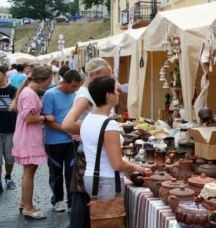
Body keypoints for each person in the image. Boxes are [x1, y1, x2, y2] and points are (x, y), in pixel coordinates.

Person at [62, 58, 114, 228]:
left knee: (85, 195)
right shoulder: (86, 95)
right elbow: (68, 123)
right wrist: (92, 133)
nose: (108, 81)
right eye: (105, 77)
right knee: (86, 196)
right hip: (88, 151)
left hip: (87, 148)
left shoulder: (87, 91)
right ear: (92, 75)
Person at [82, 76, 145, 200]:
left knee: (102, 217)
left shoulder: (89, 118)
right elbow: (117, 164)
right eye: (116, 90)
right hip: (107, 181)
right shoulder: (108, 123)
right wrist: (135, 167)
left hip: (93, 177)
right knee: (111, 218)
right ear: (108, 95)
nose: (118, 94)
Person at [9, 66, 55, 219]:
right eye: (49, 80)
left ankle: (25, 201)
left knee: (29, 172)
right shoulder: (29, 94)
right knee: (29, 172)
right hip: (29, 137)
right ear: (42, 80)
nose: (50, 83)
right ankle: (28, 207)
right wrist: (44, 117)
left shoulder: (28, 91)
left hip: (27, 136)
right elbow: (29, 118)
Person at [41, 70, 82, 212]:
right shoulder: (50, 95)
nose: (75, 89)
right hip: (53, 141)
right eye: (73, 86)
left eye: (77, 87)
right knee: (55, 172)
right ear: (65, 82)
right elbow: (48, 121)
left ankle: (71, 201)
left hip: (71, 141)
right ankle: (57, 200)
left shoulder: (76, 95)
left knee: (72, 172)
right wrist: (68, 130)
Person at [0, 65, 17, 193]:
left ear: (5, 74)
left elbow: (18, 109)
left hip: (10, 129)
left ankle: (8, 176)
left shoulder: (13, 90)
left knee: (9, 158)